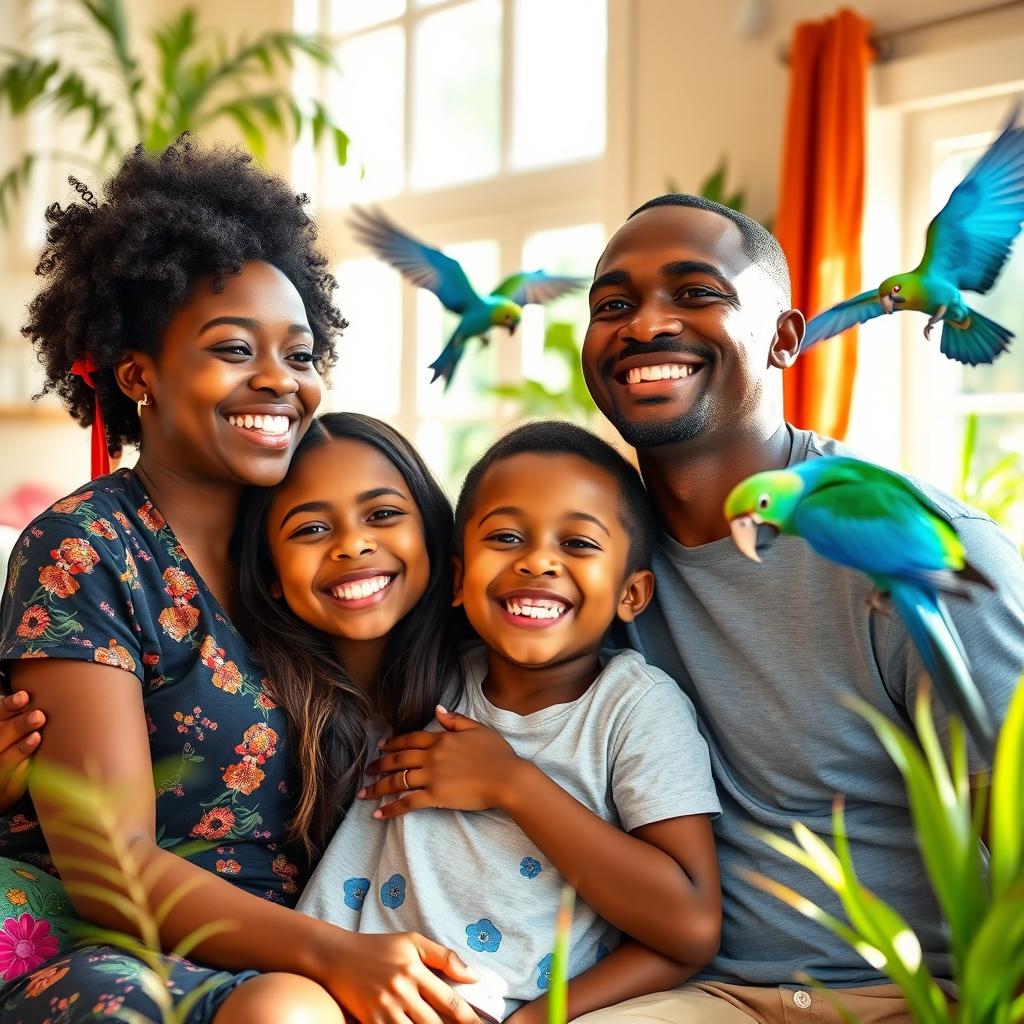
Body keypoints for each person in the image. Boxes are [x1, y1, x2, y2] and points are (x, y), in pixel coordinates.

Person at [0, 137, 481, 1024]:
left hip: (300, 944)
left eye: (299, 355)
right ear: (136, 372)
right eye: (233, 348)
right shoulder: (86, 549)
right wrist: (340, 957)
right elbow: (110, 873)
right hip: (106, 949)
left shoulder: (312, 547)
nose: (279, 380)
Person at [577, 193, 1024, 1024]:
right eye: (613, 305)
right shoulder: (581, 561)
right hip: (689, 992)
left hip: (911, 998)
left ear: (787, 339)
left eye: (697, 292)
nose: (644, 326)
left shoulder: (920, 553)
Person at [297, 420, 721, 1023]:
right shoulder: (428, 678)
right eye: (505, 537)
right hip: (337, 982)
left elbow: (689, 929)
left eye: (578, 543)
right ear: (457, 577)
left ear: (632, 593)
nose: (538, 561)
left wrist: (511, 784)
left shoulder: (634, 708)